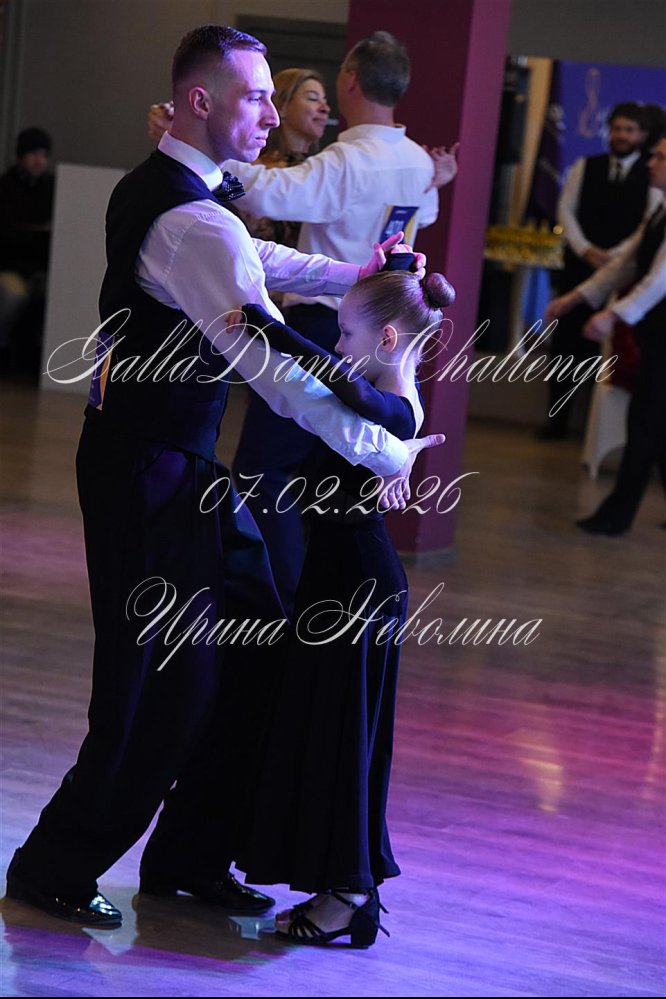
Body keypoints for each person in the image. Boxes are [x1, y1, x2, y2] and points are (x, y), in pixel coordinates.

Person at [6, 24, 444, 928]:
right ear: (201, 102)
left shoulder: (182, 194)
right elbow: (277, 375)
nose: (274, 114)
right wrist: (389, 448)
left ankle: (189, 856)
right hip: (148, 470)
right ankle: (54, 865)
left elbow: (263, 262)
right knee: (157, 682)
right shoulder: (190, 219)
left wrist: (356, 274)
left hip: (180, 466)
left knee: (258, 647)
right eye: (257, 97)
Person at [228, 264, 455, 948]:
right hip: (336, 578)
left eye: (346, 332)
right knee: (328, 733)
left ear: (386, 338)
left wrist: (271, 329)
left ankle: (351, 895)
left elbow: (345, 385)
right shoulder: (388, 400)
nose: (337, 342)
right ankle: (343, 890)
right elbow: (343, 387)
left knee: (345, 738)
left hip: (359, 588)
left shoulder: (400, 405)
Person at [225, 30, 459, 614]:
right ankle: (316, 598)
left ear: (349, 79)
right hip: (382, 337)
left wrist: (201, 158)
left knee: (264, 468)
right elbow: (425, 213)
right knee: (321, 469)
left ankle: (286, 602)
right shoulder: (415, 161)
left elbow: (270, 194)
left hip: (325, 325)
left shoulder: (350, 159)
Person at [545, 134, 666, 535]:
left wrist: (612, 316)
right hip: (655, 334)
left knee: (646, 420)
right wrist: (575, 298)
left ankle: (616, 515)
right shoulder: (659, 210)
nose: (650, 162)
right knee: (655, 421)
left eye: (660, 157)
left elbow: (658, 280)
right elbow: (625, 265)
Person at [537, 102, 660, 440]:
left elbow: (647, 225)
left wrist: (615, 256)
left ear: (642, 135)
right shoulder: (586, 166)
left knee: (609, 351)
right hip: (580, 268)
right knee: (566, 344)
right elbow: (565, 209)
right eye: (617, 128)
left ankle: (592, 428)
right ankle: (557, 420)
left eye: (629, 130)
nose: (621, 135)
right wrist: (586, 250)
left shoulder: (651, 175)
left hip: (623, 273)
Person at [0, 127, 54, 374]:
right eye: (33, 154)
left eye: (43, 154)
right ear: (21, 155)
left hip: (43, 268)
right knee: (14, 295)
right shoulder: (6, 187)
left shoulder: (52, 187)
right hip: (12, 267)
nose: (39, 160)